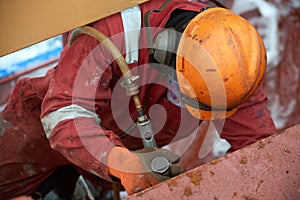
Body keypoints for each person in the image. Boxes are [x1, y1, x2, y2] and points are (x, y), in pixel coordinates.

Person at [0, 0, 276, 199]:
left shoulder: (229, 66)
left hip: (116, 158)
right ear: (167, 52)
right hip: (38, 131)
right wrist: (122, 162)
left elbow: (263, 150)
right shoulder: (114, 30)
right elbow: (63, 111)